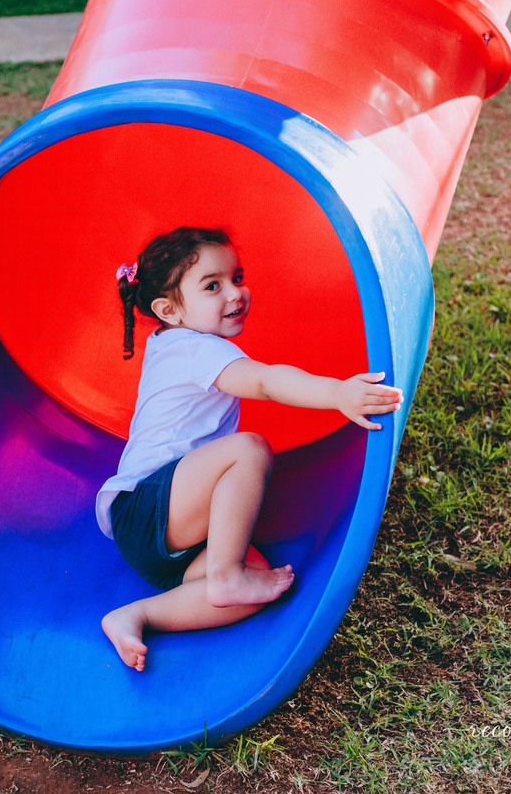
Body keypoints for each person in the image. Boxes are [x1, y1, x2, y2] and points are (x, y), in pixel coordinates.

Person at [97, 226, 403, 671]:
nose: (235, 293)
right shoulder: (193, 349)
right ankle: (224, 574)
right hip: (146, 506)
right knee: (250, 449)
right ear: (170, 311)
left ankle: (138, 614)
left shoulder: (168, 340)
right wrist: (338, 393)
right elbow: (264, 381)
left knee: (260, 583)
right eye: (213, 286)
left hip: (162, 541)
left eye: (237, 277)